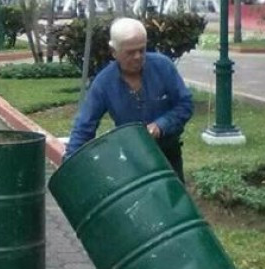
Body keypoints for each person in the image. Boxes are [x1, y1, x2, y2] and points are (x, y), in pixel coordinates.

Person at [65, 17, 194, 178]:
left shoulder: (163, 66)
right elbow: (84, 125)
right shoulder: (104, 83)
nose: (138, 57)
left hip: (168, 154)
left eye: (142, 50)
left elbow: (185, 104)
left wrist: (160, 126)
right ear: (114, 52)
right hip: (131, 158)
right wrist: (69, 163)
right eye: (130, 52)